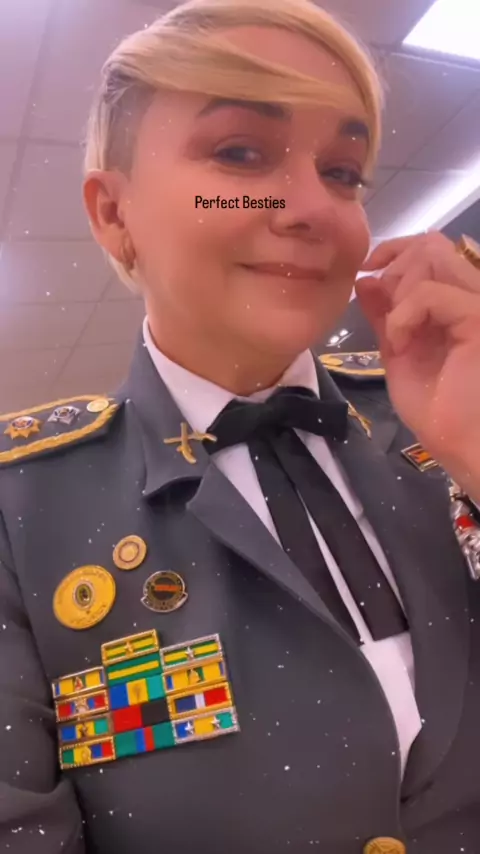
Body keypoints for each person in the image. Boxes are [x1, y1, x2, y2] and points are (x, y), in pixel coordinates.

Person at [1, 0, 480, 851]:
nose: (312, 206)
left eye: (343, 171)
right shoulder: (21, 509)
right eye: (240, 154)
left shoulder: (442, 420)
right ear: (113, 213)